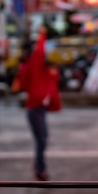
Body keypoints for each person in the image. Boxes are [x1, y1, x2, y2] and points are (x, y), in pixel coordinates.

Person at [16, 26, 61, 181]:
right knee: (41, 139)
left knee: (42, 139)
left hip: (37, 108)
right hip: (35, 108)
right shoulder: (34, 64)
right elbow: (40, 51)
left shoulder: (33, 68)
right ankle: (39, 168)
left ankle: (39, 166)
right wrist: (43, 35)